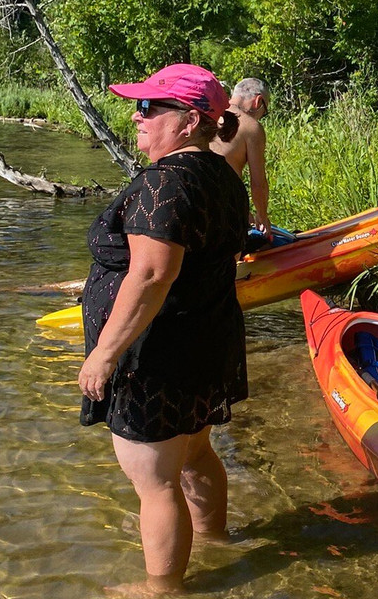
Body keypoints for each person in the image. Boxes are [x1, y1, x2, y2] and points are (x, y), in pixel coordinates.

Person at [78, 62, 250, 597]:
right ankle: (216, 539)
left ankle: (163, 590)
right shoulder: (219, 173)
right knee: (196, 453)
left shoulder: (166, 182)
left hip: (157, 356)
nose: (137, 116)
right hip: (204, 341)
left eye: (151, 108)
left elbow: (152, 274)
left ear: (189, 121)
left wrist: (105, 352)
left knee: (154, 482)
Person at [211, 77, 271, 240]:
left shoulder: (210, 114)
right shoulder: (250, 127)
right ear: (258, 102)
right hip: (221, 208)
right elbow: (258, 184)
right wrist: (262, 217)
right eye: (264, 113)